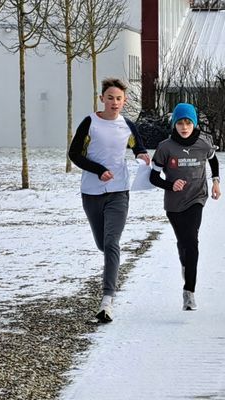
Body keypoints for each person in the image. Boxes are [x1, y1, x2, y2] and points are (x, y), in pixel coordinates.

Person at [69, 77, 150, 322]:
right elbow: (74, 154)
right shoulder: (90, 123)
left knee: (112, 243)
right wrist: (97, 169)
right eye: (111, 98)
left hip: (118, 191)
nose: (115, 102)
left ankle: (107, 301)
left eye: (119, 99)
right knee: (103, 245)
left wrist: (143, 155)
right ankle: (110, 270)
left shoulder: (127, 125)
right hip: (92, 192)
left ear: (124, 102)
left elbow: (138, 147)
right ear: (102, 99)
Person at [150, 103, 221, 311]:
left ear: (194, 124)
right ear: (174, 124)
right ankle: (185, 263)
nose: (184, 126)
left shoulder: (203, 143)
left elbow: (213, 160)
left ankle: (189, 292)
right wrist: (170, 184)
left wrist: (216, 181)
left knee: (192, 240)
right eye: (180, 122)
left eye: (188, 122)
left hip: (197, 197)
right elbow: (153, 177)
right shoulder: (165, 147)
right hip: (173, 203)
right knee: (184, 243)